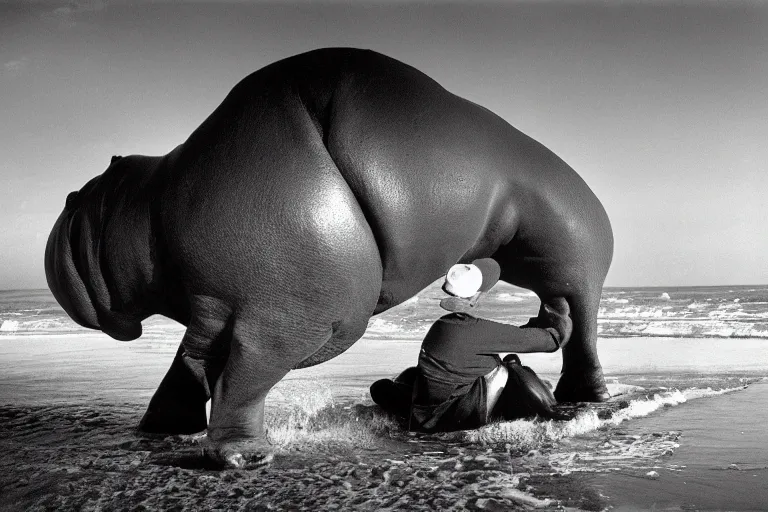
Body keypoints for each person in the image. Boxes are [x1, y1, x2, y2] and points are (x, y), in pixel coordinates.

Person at [370, 258, 571, 432]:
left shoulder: (440, 327)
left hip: (424, 413)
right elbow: (550, 341)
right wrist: (558, 314)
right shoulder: (474, 331)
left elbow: (483, 339)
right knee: (513, 364)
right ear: (475, 296)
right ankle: (548, 413)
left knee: (397, 381)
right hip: (454, 418)